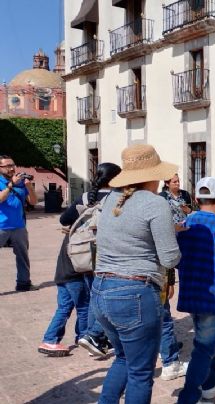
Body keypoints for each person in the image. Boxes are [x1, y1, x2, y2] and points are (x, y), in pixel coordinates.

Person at [91, 144, 181, 404]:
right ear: (153, 175)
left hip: (101, 289)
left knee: (123, 357)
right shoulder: (155, 204)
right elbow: (169, 258)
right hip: (134, 293)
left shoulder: (110, 199)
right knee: (141, 372)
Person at [39, 163, 121, 357]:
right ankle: (87, 336)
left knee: (69, 304)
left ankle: (63, 338)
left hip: (72, 255)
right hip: (97, 256)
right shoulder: (116, 200)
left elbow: (64, 219)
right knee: (89, 301)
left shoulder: (85, 197)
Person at [176, 177, 215, 403]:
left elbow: (176, 258)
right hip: (211, 295)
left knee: (204, 339)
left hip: (190, 291)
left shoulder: (185, 224)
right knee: (204, 347)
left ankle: (212, 382)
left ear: (197, 199)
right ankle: (189, 397)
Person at [157, 173, 190, 381]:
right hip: (169, 242)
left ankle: (165, 347)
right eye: (174, 181)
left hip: (183, 236)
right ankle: (169, 359)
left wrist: (188, 211)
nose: (178, 183)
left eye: (179, 180)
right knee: (163, 317)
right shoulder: (160, 199)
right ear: (166, 183)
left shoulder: (184, 195)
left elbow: (191, 210)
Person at [0, 154, 38, 291]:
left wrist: (29, 187)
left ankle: (23, 283)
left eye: (12, 165)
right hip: (1, 226)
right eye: (7, 166)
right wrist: (11, 186)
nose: (11, 168)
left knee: (23, 256)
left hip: (19, 227)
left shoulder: (21, 182)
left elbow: (33, 202)